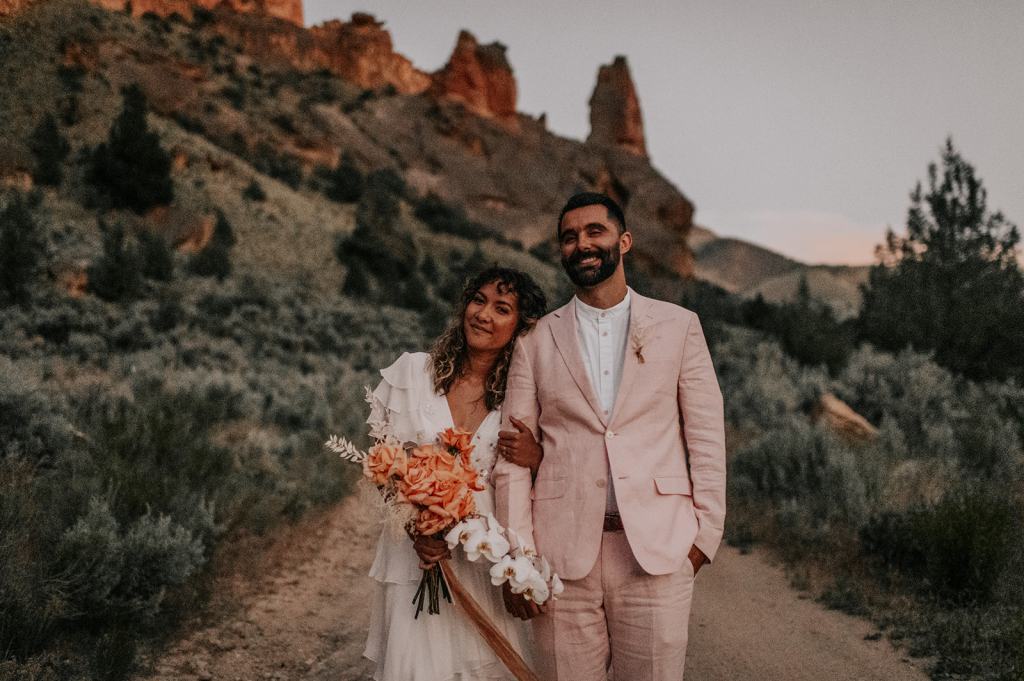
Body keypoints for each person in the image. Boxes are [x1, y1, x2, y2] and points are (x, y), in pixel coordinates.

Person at [492, 192, 727, 680]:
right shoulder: (534, 339)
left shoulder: (679, 326)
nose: (582, 244)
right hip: (559, 557)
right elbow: (512, 457)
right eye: (569, 237)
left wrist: (704, 536)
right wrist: (519, 559)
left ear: (624, 240)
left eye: (594, 232)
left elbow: (705, 433)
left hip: (658, 555)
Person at [363, 265, 549, 681]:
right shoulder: (414, 373)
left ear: (521, 327)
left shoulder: (521, 402)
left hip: (481, 556)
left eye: (502, 308)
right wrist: (417, 526)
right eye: (478, 300)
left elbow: (547, 482)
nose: (483, 314)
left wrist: (536, 457)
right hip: (415, 555)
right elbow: (382, 462)